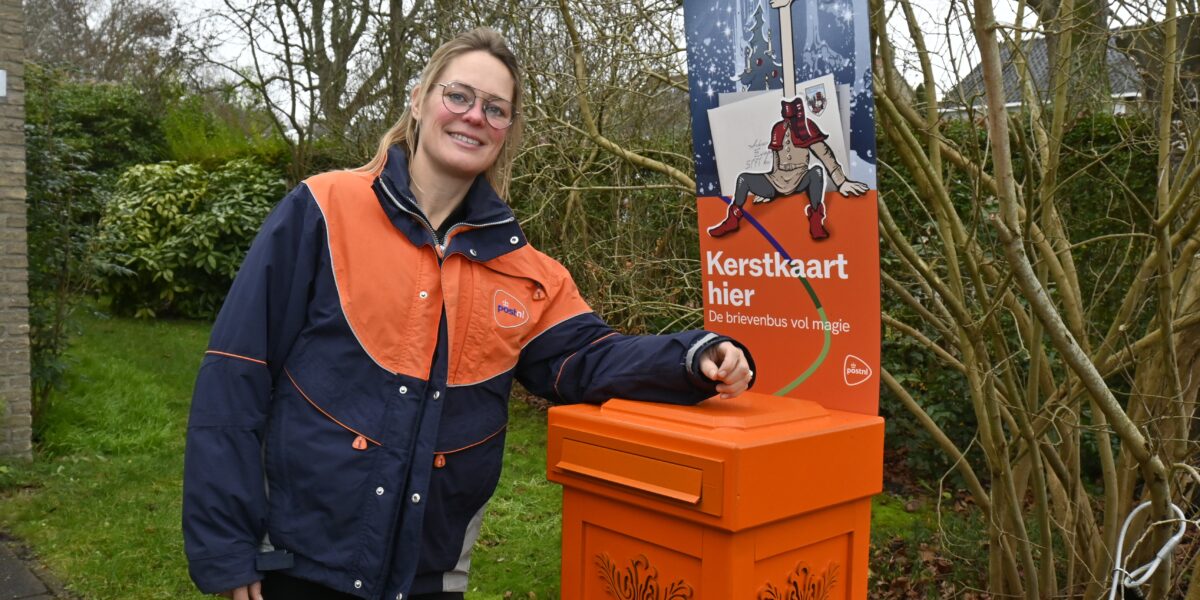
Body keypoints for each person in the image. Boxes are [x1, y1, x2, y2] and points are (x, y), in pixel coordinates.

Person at [182, 27, 755, 600]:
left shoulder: (527, 272)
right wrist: (230, 548)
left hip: (427, 577)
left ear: (508, 132)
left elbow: (586, 358)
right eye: (458, 96)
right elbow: (236, 373)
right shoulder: (323, 209)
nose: (474, 116)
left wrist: (694, 354)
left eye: (496, 109)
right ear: (419, 100)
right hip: (300, 566)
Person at [706, 96, 868, 240]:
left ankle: (816, 218)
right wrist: (766, 189)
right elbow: (775, 159)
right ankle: (732, 220)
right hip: (776, 180)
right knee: (743, 178)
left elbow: (825, 155)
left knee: (817, 171)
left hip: (800, 178)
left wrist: (841, 182)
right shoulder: (778, 128)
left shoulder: (807, 127)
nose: (791, 121)